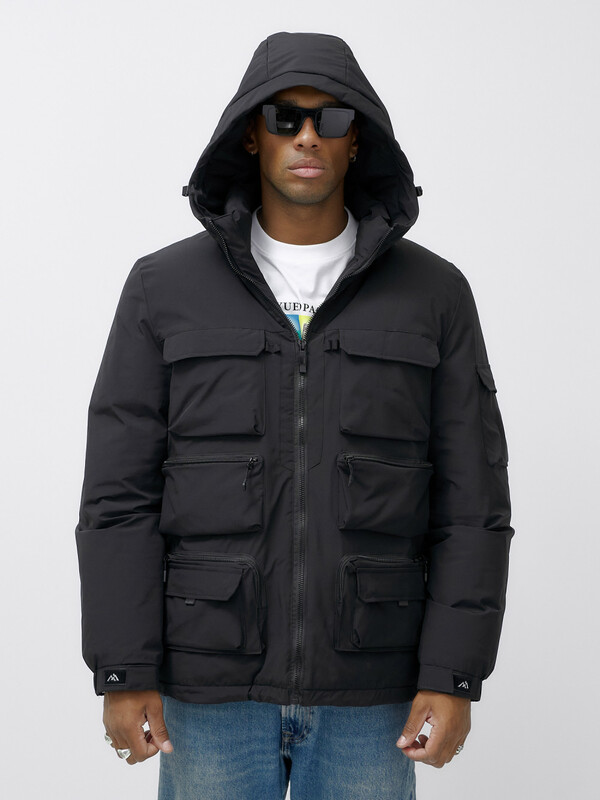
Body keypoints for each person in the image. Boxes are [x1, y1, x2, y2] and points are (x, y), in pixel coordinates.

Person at [75, 30, 514, 799]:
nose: (308, 136)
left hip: (371, 690)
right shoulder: (163, 288)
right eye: (285, 117)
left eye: (332, 119)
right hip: (209, 688)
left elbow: (473, 503)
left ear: (357, 142)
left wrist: (454, 674)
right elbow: (119, 498)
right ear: (252, 134)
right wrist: (123, 668)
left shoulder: (434, 295)